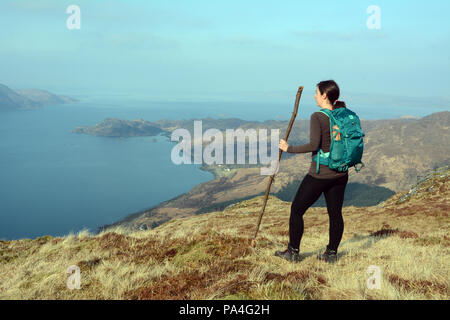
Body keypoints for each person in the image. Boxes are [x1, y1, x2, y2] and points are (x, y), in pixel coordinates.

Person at [275, 80, 349, 263]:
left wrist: (288, 148)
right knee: (335, 214)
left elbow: (313, 145)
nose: (315, 96)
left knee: (296, 210)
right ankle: (331, 254)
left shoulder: (318, 116)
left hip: (320, 174)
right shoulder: (343, 115)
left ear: (325, 95)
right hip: (340, 173)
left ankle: (292, 252)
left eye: (317, 92)